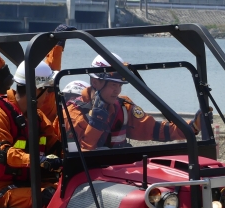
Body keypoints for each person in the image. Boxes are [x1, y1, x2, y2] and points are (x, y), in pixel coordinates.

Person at [65, 54, 204, 151]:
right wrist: (95, 124)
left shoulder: (124, 107)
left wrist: (191, 128)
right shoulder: (72, 114)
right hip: (87, 179)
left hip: (118, 172)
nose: (117, 91)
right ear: (95, 82)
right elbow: (78, 158)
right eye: (113, 85)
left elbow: (155, 130)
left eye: (120, 86)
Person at [0, 60, 60, 208]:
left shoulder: (37, 117)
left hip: (29, 184)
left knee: (70, 191)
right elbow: (2, 153)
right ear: (34, 89)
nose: (48, 95)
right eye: (46, 89)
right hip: (0, 191)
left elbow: (55, 145)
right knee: (49, 197)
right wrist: (37, 160)